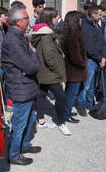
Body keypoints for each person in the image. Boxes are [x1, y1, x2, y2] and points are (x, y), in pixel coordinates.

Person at [1, 3, 41, 165]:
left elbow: (31, 65)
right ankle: (13, 154)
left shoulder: (20, 36)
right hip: (21, 87)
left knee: (30, 119)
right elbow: (33, 66)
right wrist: (32, 55)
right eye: (26, 18)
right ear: (18, 22)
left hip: (27, 85)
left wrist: (32, 56)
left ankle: (24, 146)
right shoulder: (13, 40)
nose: (29, 21)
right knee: (19, 123)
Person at [31, 7, 71, 135]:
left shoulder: (41, 32)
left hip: (42, 71)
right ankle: (61, 122)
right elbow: (48, 57)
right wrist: (58, 71)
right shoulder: (46, 34)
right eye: (55, 16)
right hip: (49, 72)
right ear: (49, 18)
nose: (57, 18)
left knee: (42, 94)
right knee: (61, 96)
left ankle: (41, 120)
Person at [76, 5, 106, 116]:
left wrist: (104, 56)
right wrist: (100, 58)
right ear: (93, 14)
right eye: (99, 14)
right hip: (90, 59)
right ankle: (81, 104)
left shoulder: (96, 25)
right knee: (86, 85)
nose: (101, 16)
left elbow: (103, 42)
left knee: (92, 84)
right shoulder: (85, 26)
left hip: (97, 59)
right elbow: (89, 48)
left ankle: (89, 103)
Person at [63, 11, 87, 123]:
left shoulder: (72, 32)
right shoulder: (73, 34)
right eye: (80, 19)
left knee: (69, 92)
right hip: (75, 70)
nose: (82, 21)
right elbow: (75, 55)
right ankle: (66, 114)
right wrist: (83, 63)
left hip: (73, 70)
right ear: (75, 21)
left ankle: (66, 111)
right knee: (71, 94)